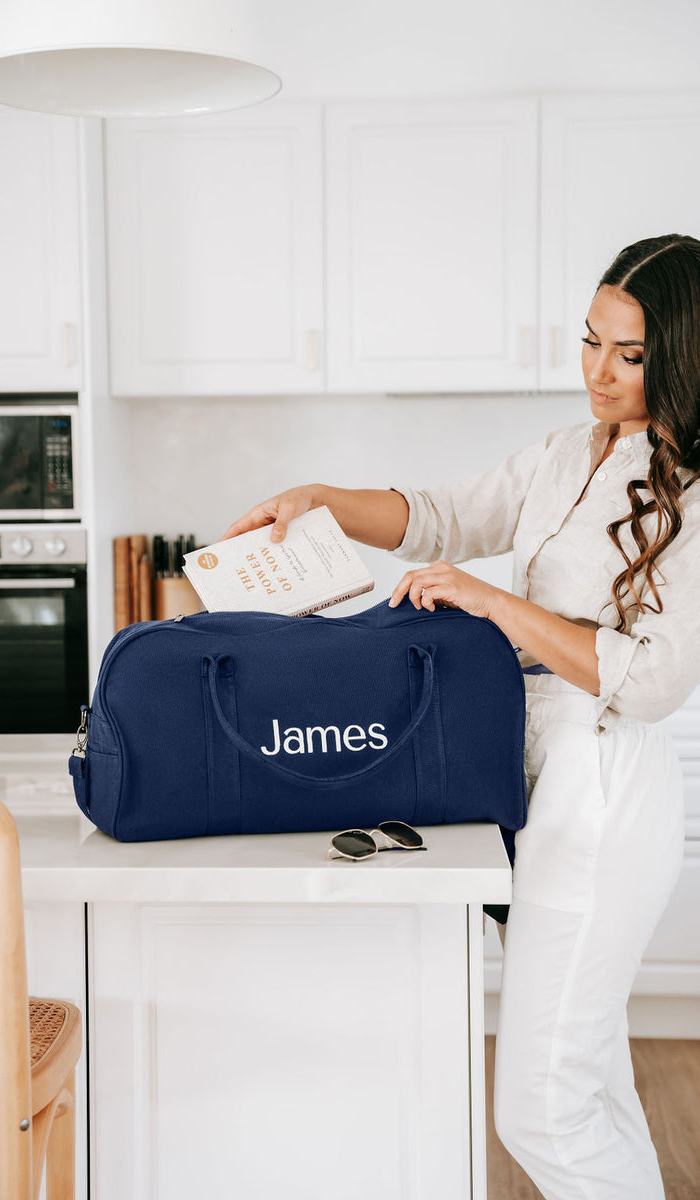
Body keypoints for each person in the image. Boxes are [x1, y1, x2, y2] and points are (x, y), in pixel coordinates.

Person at [222, 233, 700, 1199]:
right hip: (532, 775)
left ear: (683, 358)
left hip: (603, 783)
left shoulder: (693, 491)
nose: (598, 372)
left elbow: (651, 682)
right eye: (591, 340)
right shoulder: (573, 452)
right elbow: (443, 514)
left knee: (541, 1105)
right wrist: (322, 498)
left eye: (631, 355)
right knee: (590, 1075)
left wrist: (496, 604)